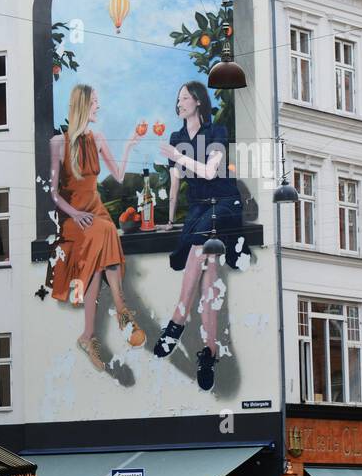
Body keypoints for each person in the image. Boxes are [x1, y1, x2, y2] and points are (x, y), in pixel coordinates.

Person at [154, 81, 249, 392]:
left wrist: (178, 157)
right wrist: (168, 220)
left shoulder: (217, 132)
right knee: (208, 272)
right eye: (177, 98)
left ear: (197, 101)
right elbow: (174, 185)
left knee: (200, 245)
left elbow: (210, 172)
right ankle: (209, 353)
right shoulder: (176, 138)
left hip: (224, 203)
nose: (179, 102)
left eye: (184, 97)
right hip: (197, 210)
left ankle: (177, 320)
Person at [49, 84, 146, 372]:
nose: (98, 107)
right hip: (74, 218)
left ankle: (88, 335)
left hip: (97, 214)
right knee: (106, 232)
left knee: (100, 257)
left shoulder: (99, 138)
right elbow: (53, 194)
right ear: (82, 105)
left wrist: (128, 145)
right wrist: (75, 213)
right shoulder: (58, 143)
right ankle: (122, 308)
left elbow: (117, 175)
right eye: (95, 103)